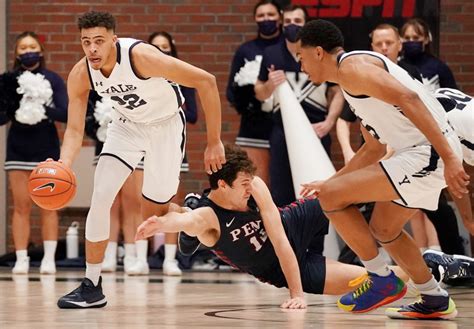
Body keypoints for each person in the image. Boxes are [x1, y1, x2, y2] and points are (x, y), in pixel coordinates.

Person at [297, 19, 468, 320]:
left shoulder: (352, 69)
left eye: (302, 57)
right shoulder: (351, 83)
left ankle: (380, 278)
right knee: (384, 229)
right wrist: (331, 181)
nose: (301, 66)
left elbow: (409, 98)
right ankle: (433, 298)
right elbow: (373, 148)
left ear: (319, 52)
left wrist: (450, 158)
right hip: (421, 153)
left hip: (427, 152)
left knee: (331, 200)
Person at [56, 11, 225, 309]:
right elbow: (73, 129)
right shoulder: (81, 74)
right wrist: (63, 165)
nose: (92, 49)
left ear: (113, 39)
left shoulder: (141, 57)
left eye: (99, 41)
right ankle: (92, 285)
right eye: (86, 42)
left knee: (157, 212)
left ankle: (191, 216)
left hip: (166, 126)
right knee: (101, 197)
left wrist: (214, 141)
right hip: (126, 127)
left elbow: (207, 82)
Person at [136, 144, 389, 309]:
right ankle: (424, 272)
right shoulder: (209, 216)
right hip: (276, 269)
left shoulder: (254, 186)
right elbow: (185, 221)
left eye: (250, 181)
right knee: (375, 281)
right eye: (243, 183)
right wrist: (161, 224)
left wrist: (297, 294)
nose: (250, 187)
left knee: (338, 193)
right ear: (223, 184)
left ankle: (392, 170)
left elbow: (280, 240)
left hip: (291, 224)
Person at [254, 5, 344, 207]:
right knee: (281, 191)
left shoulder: (320, 52)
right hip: (282, 131)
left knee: (318, 187)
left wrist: (329, 123)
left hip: (316, 129)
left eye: (297, 22)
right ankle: (287, 236)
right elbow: (259, 92)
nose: (291, 26)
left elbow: (338, 91)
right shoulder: (271, 54)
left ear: (306, 25)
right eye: (287, 22)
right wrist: (270, 84)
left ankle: (320, 237)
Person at [0, 31, 68, 274]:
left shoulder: (52, 79)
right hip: (18, 149)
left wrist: (43, 107)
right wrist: (14, 105)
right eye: (22, 47)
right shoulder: (8, 79)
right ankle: (21, 258)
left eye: (32, 46)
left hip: (46, 148)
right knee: (21, 206)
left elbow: (66, 113)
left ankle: (48, 259)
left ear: (41, 50)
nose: (27, 50)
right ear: (16, 54)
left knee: (49, 205)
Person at [148, 30, 199, 276]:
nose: (160, 50)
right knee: (144, 202)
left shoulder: (182, 75)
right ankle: (140, 256)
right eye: (155, 46)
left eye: (165, 46)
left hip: (173, 142)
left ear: (172, 49)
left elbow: (194, 116)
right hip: (145, 143)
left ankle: (170, 258)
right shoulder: (142, 78)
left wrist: (170, 108)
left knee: (169, 200)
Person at [85, 91, 145, 275]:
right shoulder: (96, 88)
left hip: (131, 148)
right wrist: (99, 126)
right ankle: (108, 255)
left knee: (132, 202)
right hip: (104, 147)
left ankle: (132, 254)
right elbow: (87, 121)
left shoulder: (131, 84)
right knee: (107, 203)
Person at [226, 0, 283, 185]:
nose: (266, 19)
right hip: (253, 126)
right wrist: (248, 102)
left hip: (284, 121)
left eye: (270, 15)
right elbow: (231, 91)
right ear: (255, 19)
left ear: (280, 17)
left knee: (284, 183)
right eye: (261, 16)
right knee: (254, 182)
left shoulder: (288, 48)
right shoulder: (246, 50)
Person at [400, 18, 457, 92]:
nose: (411, 41)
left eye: (416, 38)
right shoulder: (396, 65)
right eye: (407, 38)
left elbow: (453, 97)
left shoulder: (439, 67)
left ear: (426, 39)